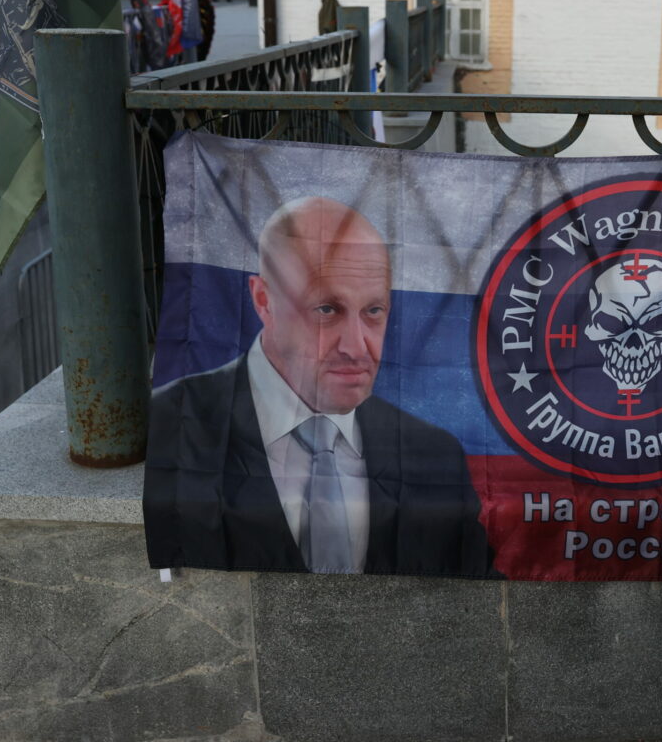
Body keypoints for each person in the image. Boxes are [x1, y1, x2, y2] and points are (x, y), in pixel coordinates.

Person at [144, 197, 497, 577]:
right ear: (264, 300)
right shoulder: (172, 422)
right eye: (327, 310)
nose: (356, 348)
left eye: (373, 311)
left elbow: (478, 586)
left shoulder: (436, 454)